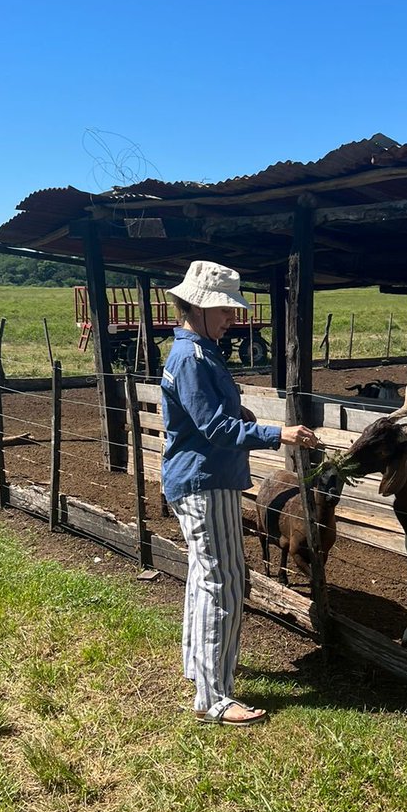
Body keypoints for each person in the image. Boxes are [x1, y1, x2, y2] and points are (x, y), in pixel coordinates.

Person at [160, 260, 319, 726]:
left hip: (206, 479)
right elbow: (212, 427)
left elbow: (206, 417)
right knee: (223, 581)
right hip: (205, 481)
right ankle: (213, 698)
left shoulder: (199, 353)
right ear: (198, 307)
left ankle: (198, 668)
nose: (232, 318)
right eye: (225, 310)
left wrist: (243, 415)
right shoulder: (192, 358)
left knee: (203, 575)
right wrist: (278, 433)